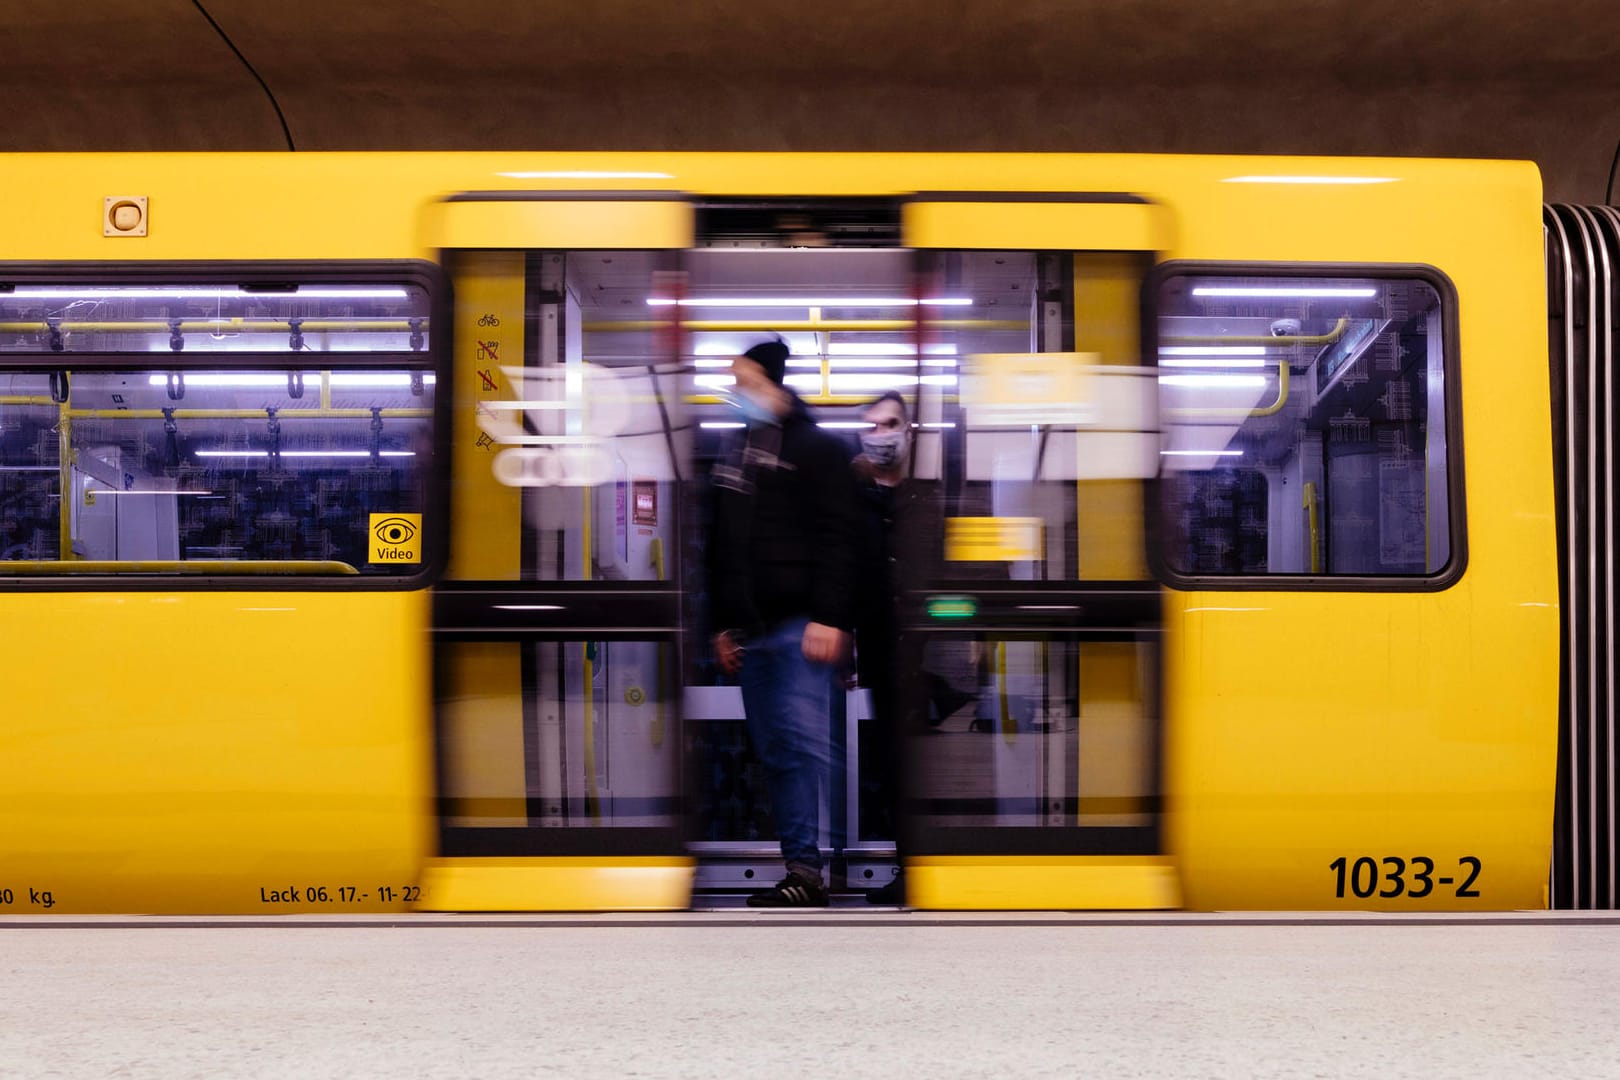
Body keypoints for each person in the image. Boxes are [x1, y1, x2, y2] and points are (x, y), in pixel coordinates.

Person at [706, 337, 859, 907]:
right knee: (777, 752)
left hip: (801, 626)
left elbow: (841, 539)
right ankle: (804, 868)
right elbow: (721, 546)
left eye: (745, 383)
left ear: (772, 385)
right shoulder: (732, 455)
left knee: (805, 746)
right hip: (751, 631)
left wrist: (831, 615)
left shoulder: (816, 449)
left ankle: (826, 865)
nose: (737, 394)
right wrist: (722, 624)